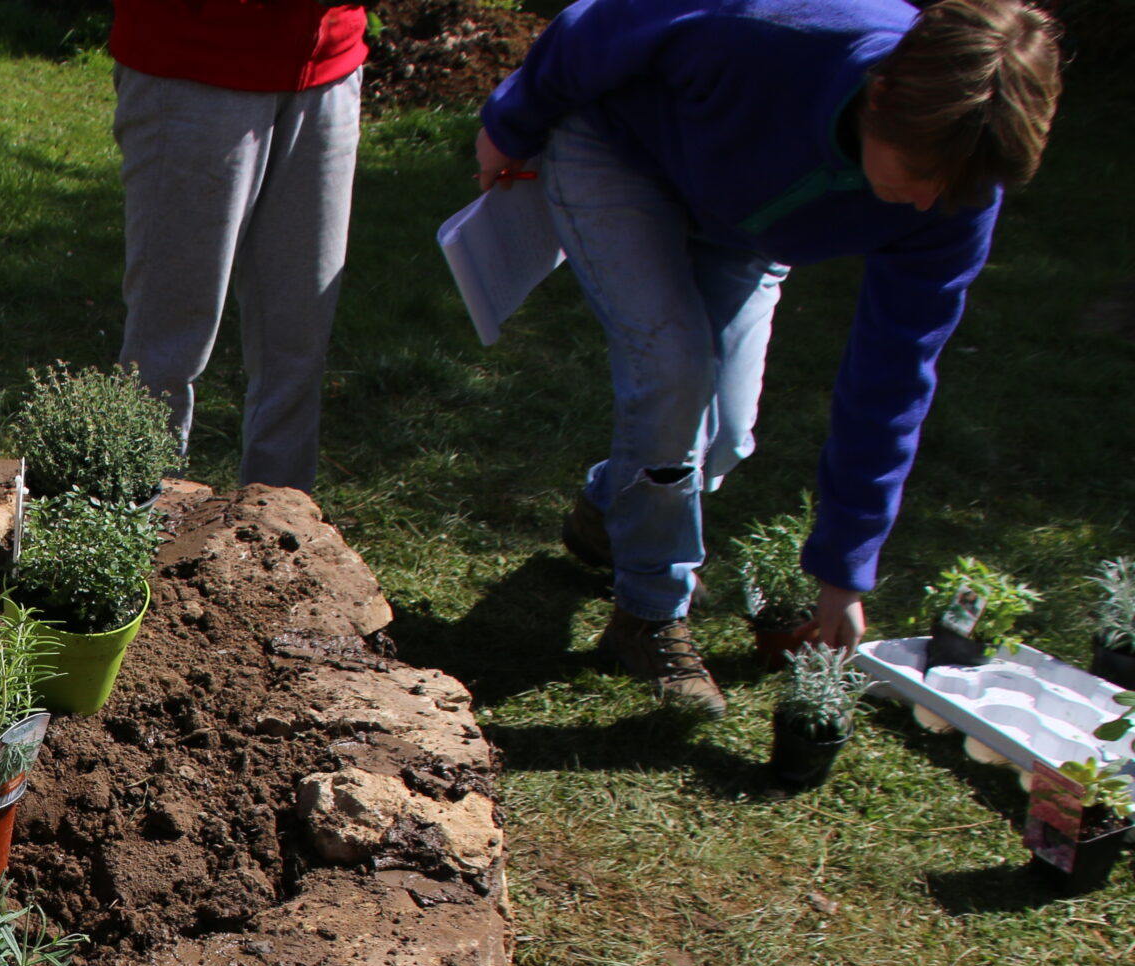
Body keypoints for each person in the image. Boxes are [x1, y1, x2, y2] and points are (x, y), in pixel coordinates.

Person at [476, 0, 1061, 715]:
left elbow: (894, 375)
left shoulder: (954, 195)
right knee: (673, 368)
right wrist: (511, 123)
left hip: (746, 229)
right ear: (879, 97)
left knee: (724, 439)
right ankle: (650, 614)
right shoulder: (772, 28)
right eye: (923, 171)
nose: (930, 199)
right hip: (621, 153)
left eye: (958, 189)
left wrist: (845, 570)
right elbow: (596, 25)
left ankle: (609, 510)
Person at [110, 0, 367, 494]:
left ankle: (278, 545)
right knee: (167, 344)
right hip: (197, 61)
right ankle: (130, 536)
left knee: (297, 344)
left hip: (329, 64)